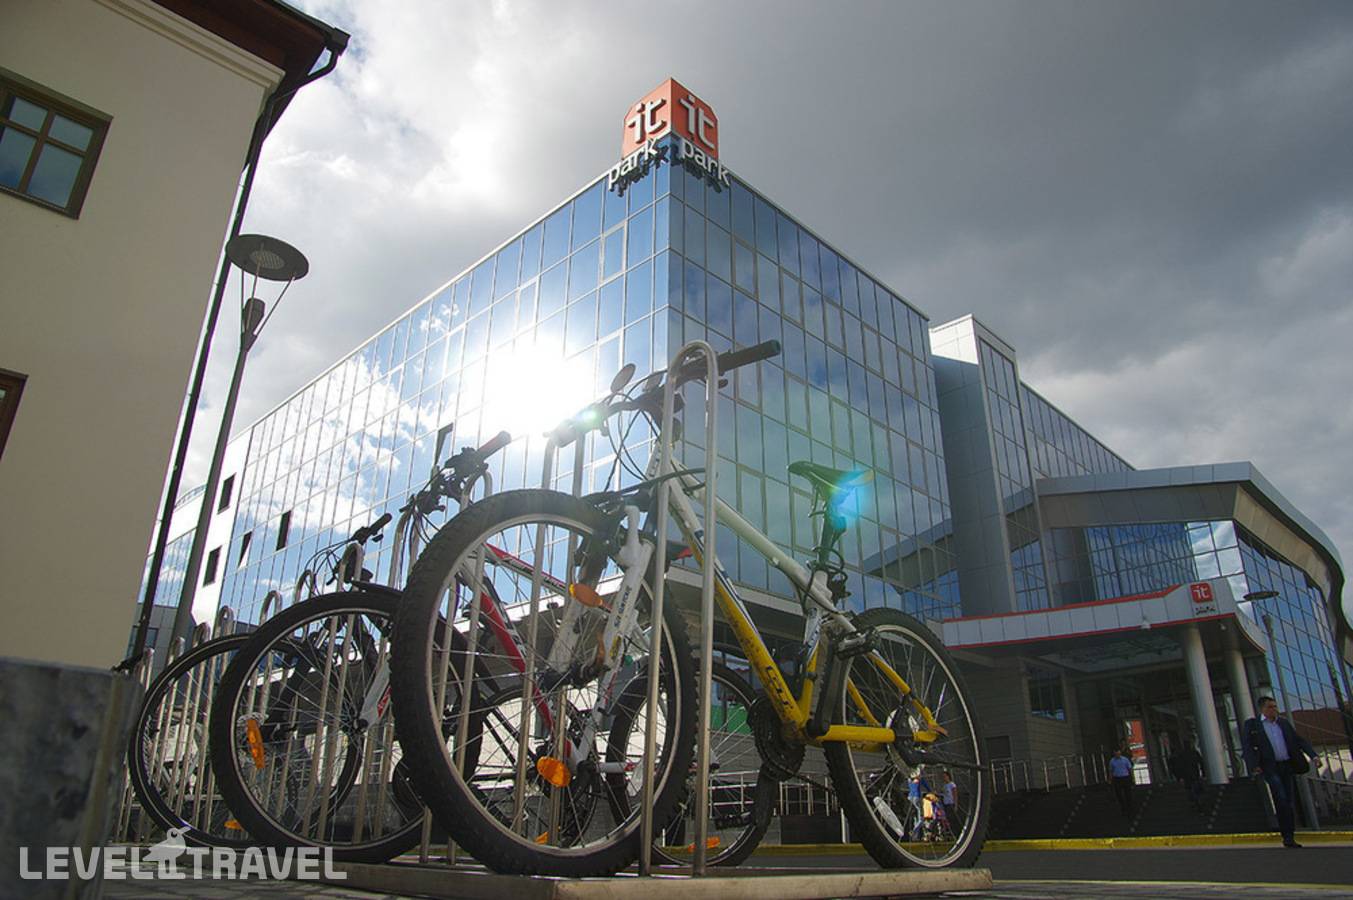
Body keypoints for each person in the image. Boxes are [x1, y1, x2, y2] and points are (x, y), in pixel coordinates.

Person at [1242, 695, 1316, 848]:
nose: (1274, 709)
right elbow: (1247, 746)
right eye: (1270, 707)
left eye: (1275, 706)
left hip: (1286, 765)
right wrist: (1254, 765)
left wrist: (1313, 755)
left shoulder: (1283, 723)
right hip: (1270, 766)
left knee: (1288, 800)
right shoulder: (1253, 725)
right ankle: (1287, 835)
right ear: (1262, 709)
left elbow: (1298, 740)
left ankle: (1289, 835)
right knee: (1281, 798)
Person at [1171, 741, 1206, 811]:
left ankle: (1195, 802)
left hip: (1187, 775)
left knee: (1190, 789)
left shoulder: (1181, 755)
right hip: (1194, 774)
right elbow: (1201, 763)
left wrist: (1179, 777)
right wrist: (1203, 773)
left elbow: (1178, 767)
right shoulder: (1194, 753)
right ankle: (1197, 802)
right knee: (1195, 788)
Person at [907, 771, 932, 840]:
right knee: (922, 818)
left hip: (910, 798)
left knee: (916, 817)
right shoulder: (920, 779)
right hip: (917, 798)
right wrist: (931, 793)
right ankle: (914, 831)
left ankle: (915, 837)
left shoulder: (909, 780)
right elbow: (927, 787)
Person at [1109, 748, 1134, 816]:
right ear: (1114, 753)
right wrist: (1110, 780)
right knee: (1119, 794)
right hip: (1117, 778)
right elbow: (1111, 771)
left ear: (1120, 752)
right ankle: (1123, 807)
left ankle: (1130, 807)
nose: (1117, 754)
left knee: (1128, 793)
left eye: (1118, 752)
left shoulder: (1125, 759)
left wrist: (1131, 777)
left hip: (1125, 777)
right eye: (1116, 752)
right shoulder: (1112, 761)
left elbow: (1130, 768)